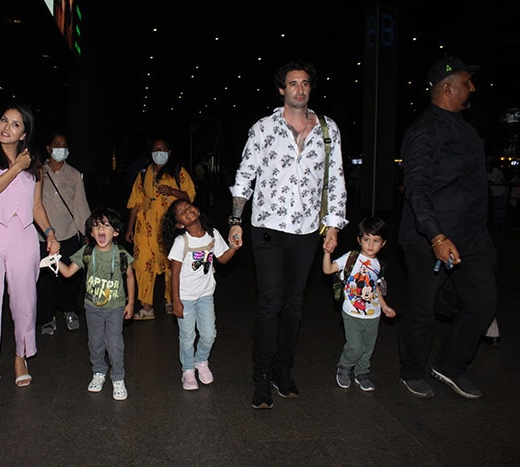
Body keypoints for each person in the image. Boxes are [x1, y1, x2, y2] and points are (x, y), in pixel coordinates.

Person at [228, 59, 348, 410]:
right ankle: (261, 375)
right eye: (293, 83)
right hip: (267, 226)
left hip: (308, 229)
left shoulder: (328, 130)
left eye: (305, 83)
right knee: (270, 301)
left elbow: (335, 180)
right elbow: (244, 175)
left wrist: (334, 226)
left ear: (310, 88)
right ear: (282, 89)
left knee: (295, 303)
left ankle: (284, 369)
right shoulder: (263, 129)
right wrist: (236, 219)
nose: (300, 89)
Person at [397, 56, 497, 400]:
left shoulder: (465, 127)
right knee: (422, 310)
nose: (473, 88)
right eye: (467, 82)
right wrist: (436, 235)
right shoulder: (424, 131)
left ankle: (449, 365)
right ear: (447, 87)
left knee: (484, 302)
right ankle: (411, 370)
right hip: (430, 238)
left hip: (471, 237)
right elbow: (417, 188)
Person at [0, 102, 59, 424]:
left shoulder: (34, 165)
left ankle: (21, 357)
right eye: (4, 120)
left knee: (24, 305)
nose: (6, 127)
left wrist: (48, 232)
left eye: (16, 124)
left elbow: (35, 206)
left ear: (25, 132)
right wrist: (15, 168)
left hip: (23, 239)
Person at [50, 207, 135, 400]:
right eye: (96, 226)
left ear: (116, 232)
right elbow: (67, 272)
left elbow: (130, 277)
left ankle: (118, 377)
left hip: (115, 307)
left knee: (114, 344)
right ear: (90, 232)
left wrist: (130, 303)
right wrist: (55, 259)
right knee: (95, 342)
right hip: (92, 308)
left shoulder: (121, 254)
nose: (100, 230)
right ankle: (98, 371)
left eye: (106, 225)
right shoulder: (87, 252)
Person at [161, 199, 239, 390]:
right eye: (181, 212)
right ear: (179, 224)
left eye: (188, 207)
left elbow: (222, 258)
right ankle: (188, 370)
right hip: (185, 297)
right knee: (187, 336)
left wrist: (234, 248)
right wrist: (176, 301)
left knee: (209, 334)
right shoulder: (182, 242)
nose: (187, 211)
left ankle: (201, 361)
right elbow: (175, 274)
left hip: (205, 294)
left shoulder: (212, 234)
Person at [125, 136, 196, 320]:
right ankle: (146, 306)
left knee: (171, 264)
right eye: (156, 149)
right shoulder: (143, 174)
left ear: (169, 152)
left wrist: (172, 191)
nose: (159, 152)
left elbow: (190, 196)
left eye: (163, 149)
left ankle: (171, 300)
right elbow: (135, 202)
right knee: (142, 265)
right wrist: (129, 228)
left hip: (169, 227)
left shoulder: (178, 172)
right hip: (145, 228)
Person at [323, 217, 395, 392]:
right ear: (359, 240)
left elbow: (377, 288)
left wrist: (384, 306)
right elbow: (328, 270)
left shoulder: (379, 265)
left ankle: (362, 371)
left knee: (368, 347)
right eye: (366, 239)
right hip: (352, 313)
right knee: (355, 345)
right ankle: (344, 366)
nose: (371, 244)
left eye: (376, 241)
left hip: (373, 314)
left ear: (383, 243)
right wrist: (327, 253)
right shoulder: (351, 258)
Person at [36, 131, 91, 334]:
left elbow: (81, 206)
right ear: (49, 149)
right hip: (42, 237)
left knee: (70, 279)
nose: (61, 148)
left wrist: (87, 232)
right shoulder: (38, 173)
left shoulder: (74, 174)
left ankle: (69, 310)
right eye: (57, 144)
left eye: (64, 145)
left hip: (68, 234)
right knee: (46, 280)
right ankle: (47, 317)